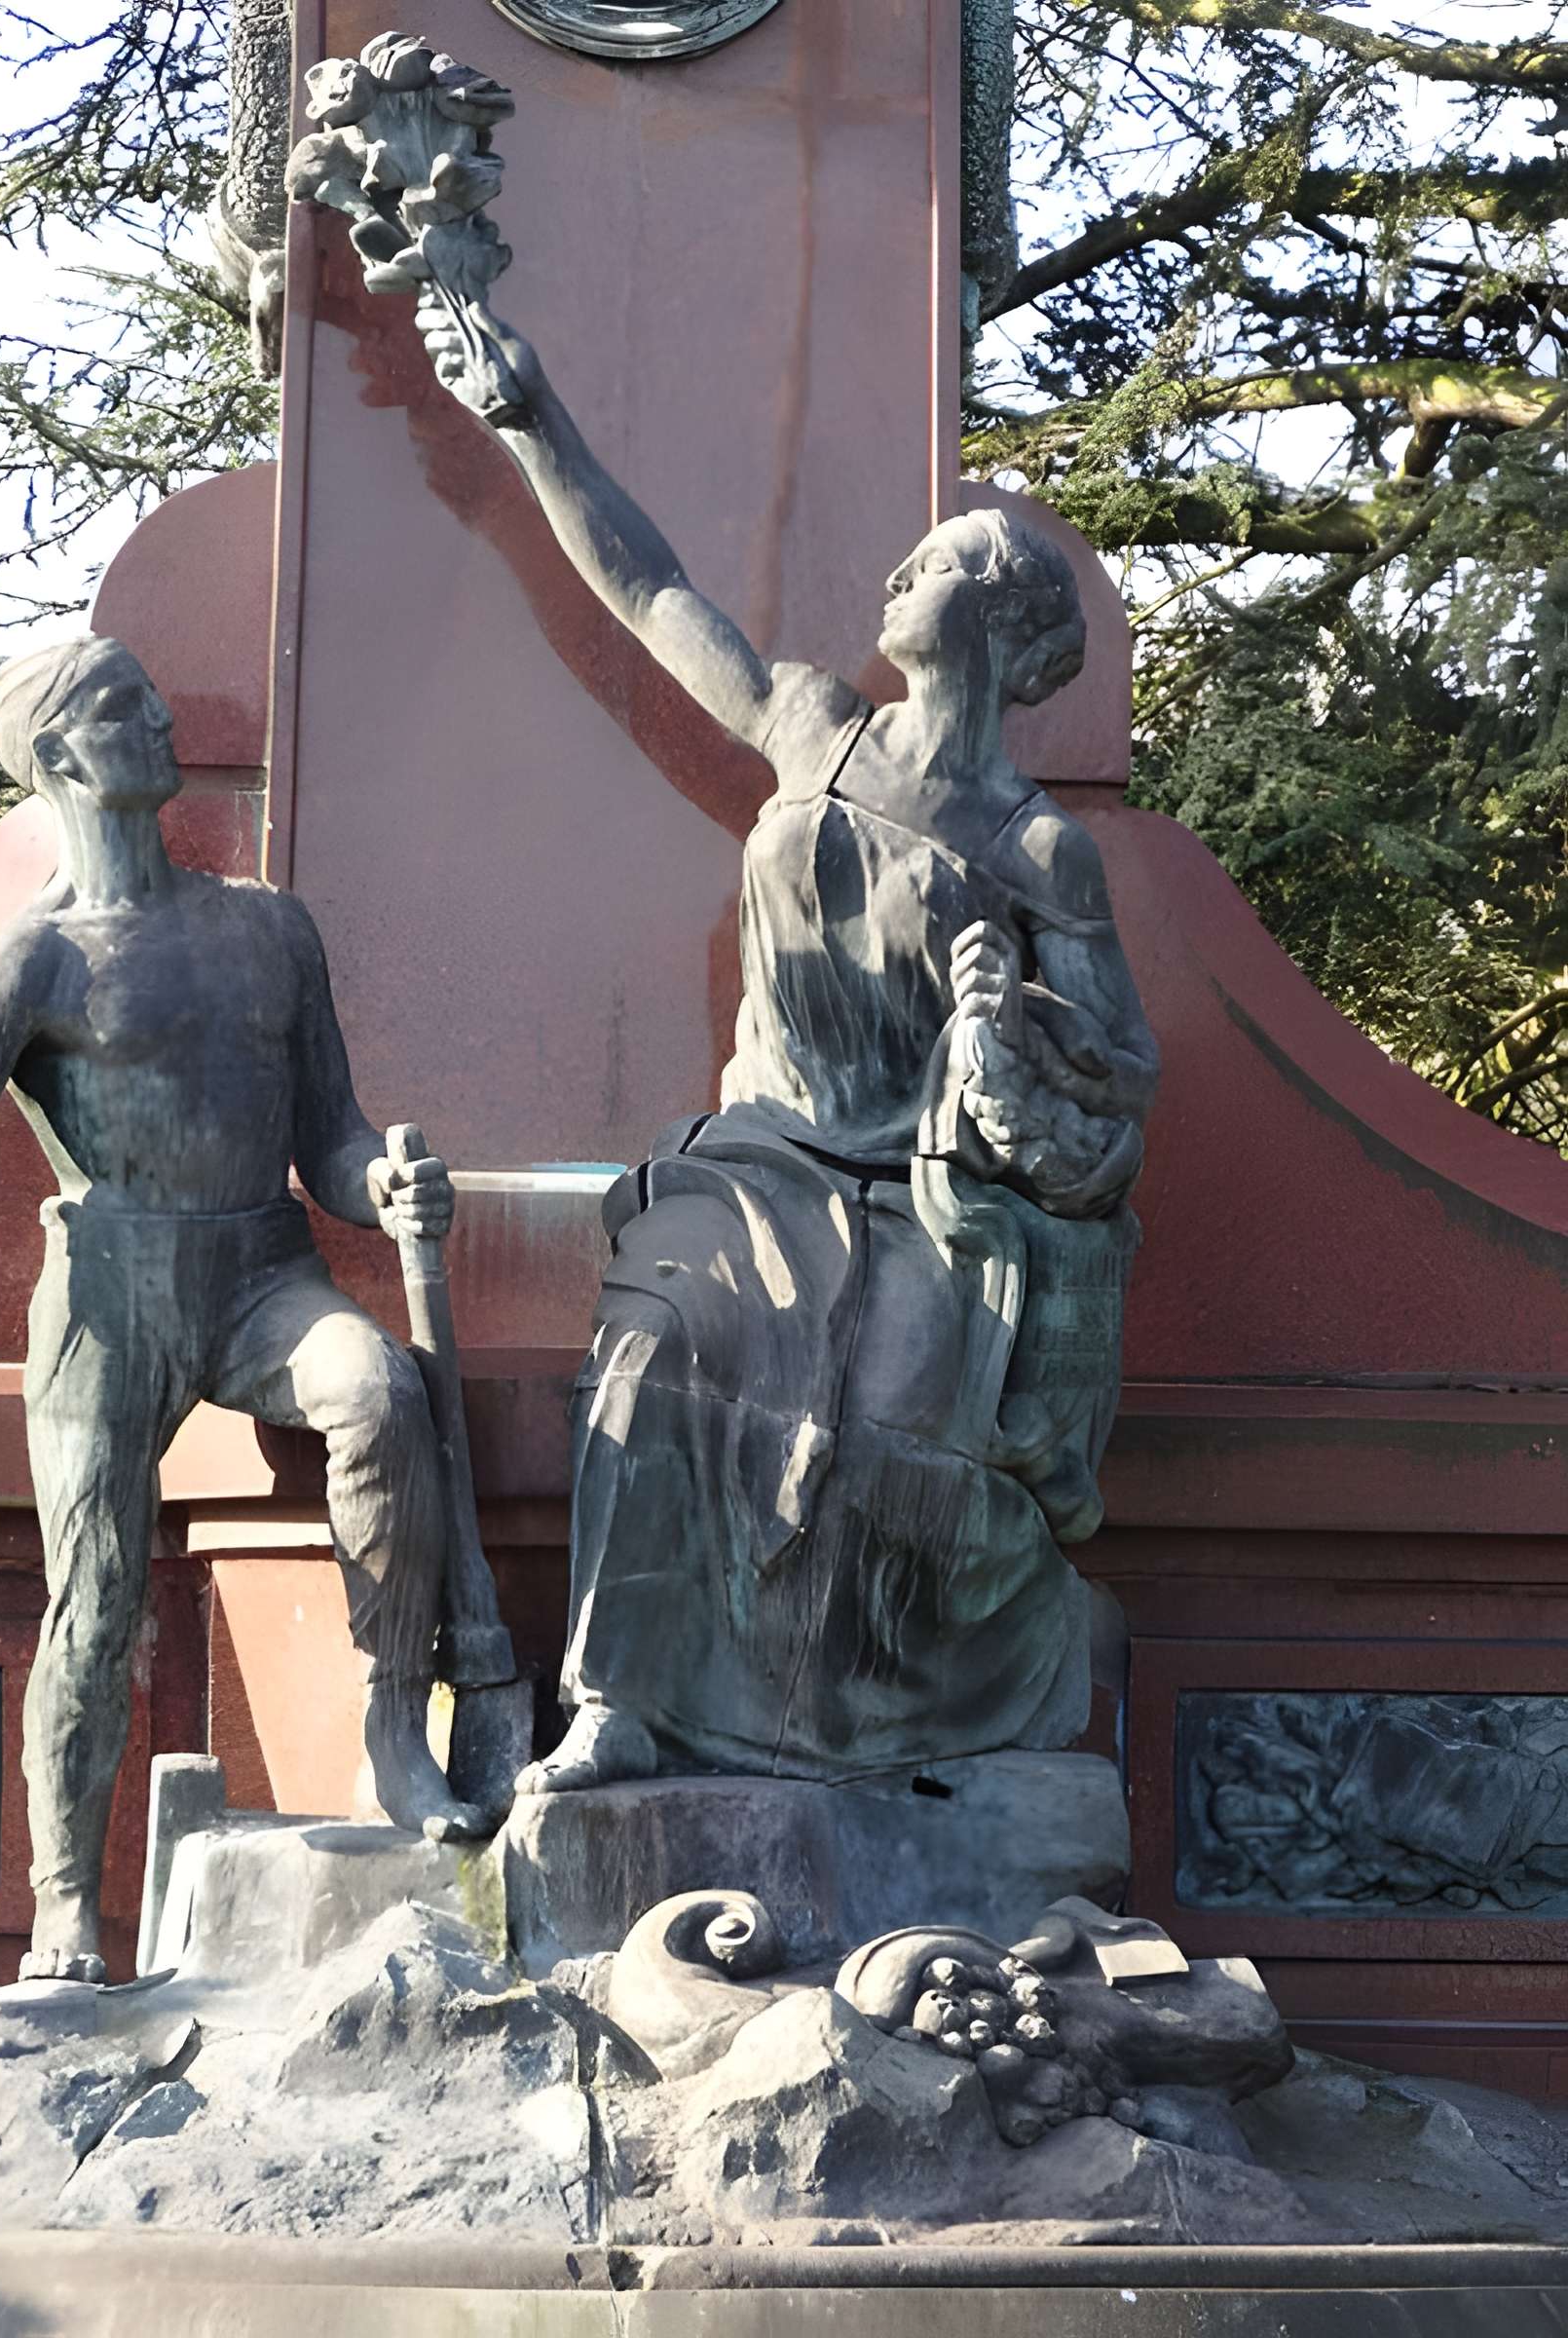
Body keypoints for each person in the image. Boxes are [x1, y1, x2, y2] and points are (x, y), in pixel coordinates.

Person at [415, 288, 1160, 1794]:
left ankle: (887, 1767)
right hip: (755, 1159)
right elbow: (653, 594)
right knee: (655, 1345)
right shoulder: (816, 723)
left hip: (921, 1201)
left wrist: (1014, 1012)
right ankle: (618, 1702)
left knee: (906, 1430)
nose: (899, 572)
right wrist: (531, 419)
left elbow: (1125, 1067)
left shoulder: (1040, 849)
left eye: (938, 564)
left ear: (1005, 624)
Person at [0, 635, 485, 1980]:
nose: (163, 716)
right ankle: (66, 1900)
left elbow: (332, 1136)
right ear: (58, 753)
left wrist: (385, 1185)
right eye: (123, 706)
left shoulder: (269, 928)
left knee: (380, 1392)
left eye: (151, 695)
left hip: (264, 1275)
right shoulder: (31, 961)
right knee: (95, 1592)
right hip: (108, 1303)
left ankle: (395, 1729)